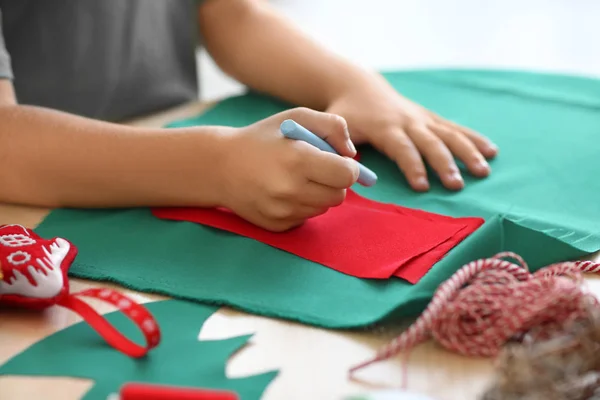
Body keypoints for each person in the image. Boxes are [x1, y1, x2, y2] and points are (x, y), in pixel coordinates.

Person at [0, 0, 497, 232]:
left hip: (172, 154)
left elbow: (228, 13)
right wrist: (214, 166)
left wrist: (353, 84)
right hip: (32, 218)